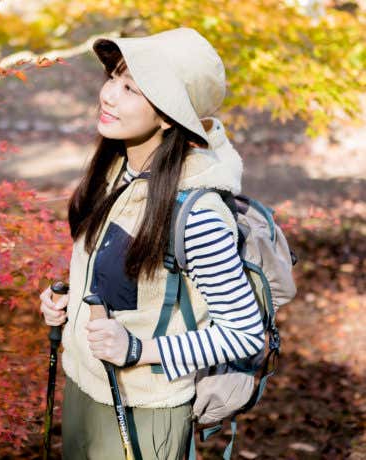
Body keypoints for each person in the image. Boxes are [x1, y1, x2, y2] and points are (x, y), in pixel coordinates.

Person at [39, 27, 266, 459]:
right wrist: (65, 303)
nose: (108, 95)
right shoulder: (118, 170)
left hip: (143, 410)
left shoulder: (196, 212)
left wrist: (139, 349)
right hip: (84, 389)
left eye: (131, 89)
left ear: (167, 115)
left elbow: (243, 333)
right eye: (113, 78)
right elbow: (128, 284)